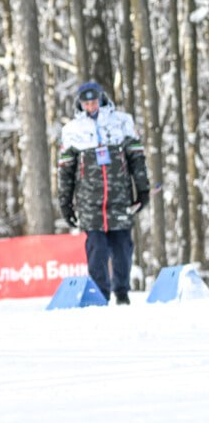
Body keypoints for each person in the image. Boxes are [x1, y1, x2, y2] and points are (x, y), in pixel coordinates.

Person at [57, 82, 150, 305]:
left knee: (122, 247)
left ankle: (122, 292)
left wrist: (142, 189)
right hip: (90, 201)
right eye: (86, 103)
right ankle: (100, 293)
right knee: (96, 248)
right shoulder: (71, 131)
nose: (91, 106)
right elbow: (65, 170)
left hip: (120, 198)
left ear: (102, 99)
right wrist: (65, 203)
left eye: (94, 101)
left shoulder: (122, 122)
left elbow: (136, 158)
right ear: (80, 104)